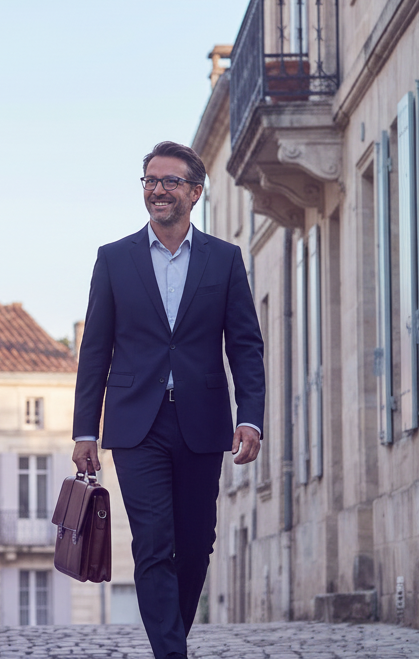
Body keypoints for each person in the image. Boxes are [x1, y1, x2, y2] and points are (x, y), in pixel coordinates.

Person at [71, 141, 265, 659]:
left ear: (195, 192)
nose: (157, 189)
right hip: (137, 424)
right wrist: (85, 430)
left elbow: (245, 344)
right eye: (150, 181)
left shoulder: (224, 260)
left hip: (202, 422)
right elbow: (95, 349)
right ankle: (171, 654)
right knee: (153, 542)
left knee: (198, 542)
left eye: (170, 181)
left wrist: (251, 419)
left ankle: (170, 640)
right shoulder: (113, 259)